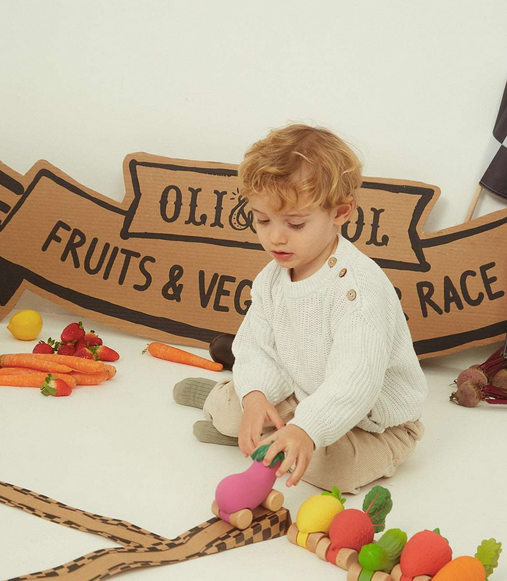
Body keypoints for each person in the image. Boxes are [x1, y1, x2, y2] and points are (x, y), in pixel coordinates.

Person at [174, 123, 427, 494]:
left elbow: (355, 381)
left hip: (373, 421)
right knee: (239, 404)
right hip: (302, 391)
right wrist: (255, 395)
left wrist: (306, 429)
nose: (275, 237)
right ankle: (225, 408)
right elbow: (256, 345)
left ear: (340, 213)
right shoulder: (273, 278)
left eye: (295, 223)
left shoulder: (357, 292)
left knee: (332, 470)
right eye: (262, 220)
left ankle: (271, 441)